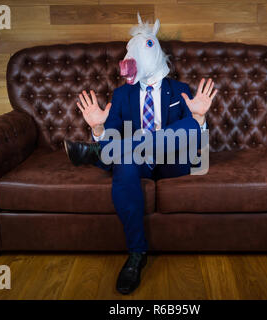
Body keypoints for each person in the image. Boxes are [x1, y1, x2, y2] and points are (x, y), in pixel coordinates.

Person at [64, 14, 217, 295]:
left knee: (189, 126)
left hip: (175, 161)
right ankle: (136, 256)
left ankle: (95, 151)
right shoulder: (121, 96)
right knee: (124, 161)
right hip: (137, 163)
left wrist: (199, 118)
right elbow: (111, 141)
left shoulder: (180, 90)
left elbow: (196, 143)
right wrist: (98, 128)